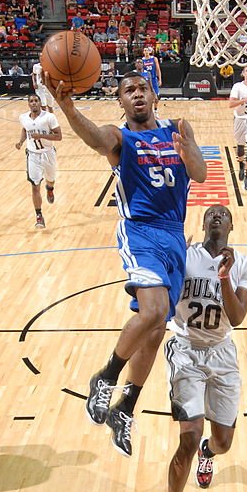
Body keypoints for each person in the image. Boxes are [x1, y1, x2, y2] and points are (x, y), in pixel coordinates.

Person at [53, 73, 207, 455]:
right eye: (128, 91)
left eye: (142, 88)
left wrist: (190, 151)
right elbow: (96, 139)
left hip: (174, 235)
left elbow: (200, 175)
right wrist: (68, 108)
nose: (137, 94)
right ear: (120, 102)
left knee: (154, 331)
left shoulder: (177, 129)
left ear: (154, 94)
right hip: (140, 232)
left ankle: (126, 406)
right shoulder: (121, 139)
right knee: (153, 311)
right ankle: (105, 378)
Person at [158, 205, 247, 492]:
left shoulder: (245, 264)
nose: (216, 216)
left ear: (232, 225)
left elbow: (237, 317)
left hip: (222, 353)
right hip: (185, 350)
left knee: (224, 441)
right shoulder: (185, 255)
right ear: (203, 224)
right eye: (211, 213)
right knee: (188, 434)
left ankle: (209, 452)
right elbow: (163, 300)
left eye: (224, 213)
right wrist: (169, 263)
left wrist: (225, 277)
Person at [15, 95, 62, 228]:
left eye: (36, 101)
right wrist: (21, 142)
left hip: (48, 153)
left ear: (40, 103)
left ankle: (50, 188)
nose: (34, 103)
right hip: (33, 155)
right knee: (35, 185)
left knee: (51, 179)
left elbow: (59, 136)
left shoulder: (49, 117)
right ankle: (39, 215)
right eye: (31, 101)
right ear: (28, 104)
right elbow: (25, 129)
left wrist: (40, 135)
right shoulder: (23, 117)